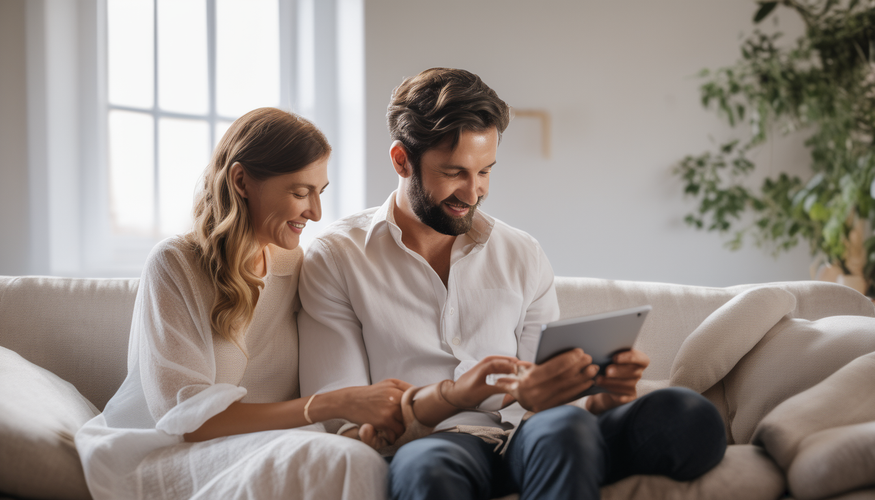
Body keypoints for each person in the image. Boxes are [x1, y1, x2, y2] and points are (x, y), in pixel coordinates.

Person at [298, 68, 728, 500]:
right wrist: (452, 397)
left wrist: (599, 395)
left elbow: (545, 391)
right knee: (427, 469)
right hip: (433, 440)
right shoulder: (338, 258)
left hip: (533, 433)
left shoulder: (520, 252)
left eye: (485, 171)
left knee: (686, 417)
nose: (473, 191)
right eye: (454, 172)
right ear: (401, 160)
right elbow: (343, 420)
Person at [75, 108, 409, 500]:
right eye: (300, 192)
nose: (316, 212)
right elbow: (187, 421)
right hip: (167, 451)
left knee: (352, 456)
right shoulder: (175, 263)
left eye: (321, 192)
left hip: (271, 444)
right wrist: (333, 404)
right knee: (337, 460)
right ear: (241, 181)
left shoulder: (299, 265)